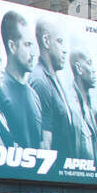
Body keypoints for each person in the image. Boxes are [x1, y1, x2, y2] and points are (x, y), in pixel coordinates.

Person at [30, 16, 75, 165]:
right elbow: (44, 142)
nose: (65, 51)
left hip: (68, 175)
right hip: (54, 177)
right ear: (46, 41)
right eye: (60, 41)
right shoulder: (40, 81)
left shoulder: (54, 78)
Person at [0, 10, 42, 149]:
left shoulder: (34, 95)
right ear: (12, 46)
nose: (33, 53)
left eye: (33, 45)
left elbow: (41, 146)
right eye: (27, 44)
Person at [68, 48, 97, 167]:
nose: (94, 69)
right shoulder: (72, 107)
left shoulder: (89, 106)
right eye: (89, 63)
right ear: (79, 68)